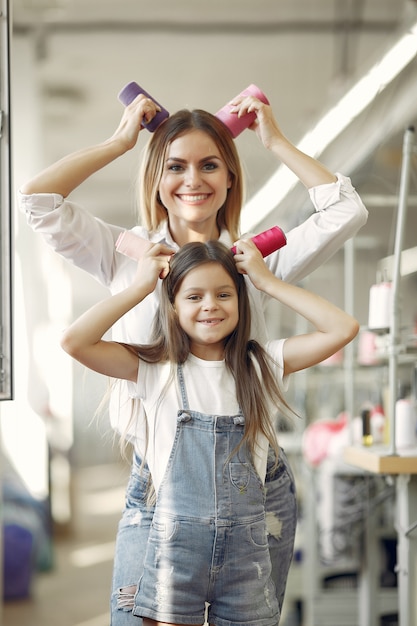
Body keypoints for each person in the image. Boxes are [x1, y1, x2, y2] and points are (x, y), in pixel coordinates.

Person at [18, 90, 368, 623]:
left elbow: (346, 209)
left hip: (251, 478)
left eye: (210, 165)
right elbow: (38, 201)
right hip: (161, 481)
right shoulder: (123, 251)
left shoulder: (253, 259)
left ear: (230, 176)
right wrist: (120, 143)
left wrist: (273, 141)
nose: (193, 180)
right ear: (156, 178)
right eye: (175, 166)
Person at [60, 238, 359, 626]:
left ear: (240, 299)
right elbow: (74, 340)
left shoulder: (261, 364)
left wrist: (266, 281)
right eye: (194, 296)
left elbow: (343, 327)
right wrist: (139, 287)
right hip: (175, 552)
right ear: (173, 306)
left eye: (223, 294)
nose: (210, 305)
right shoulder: (154, 369)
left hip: (245, 557)